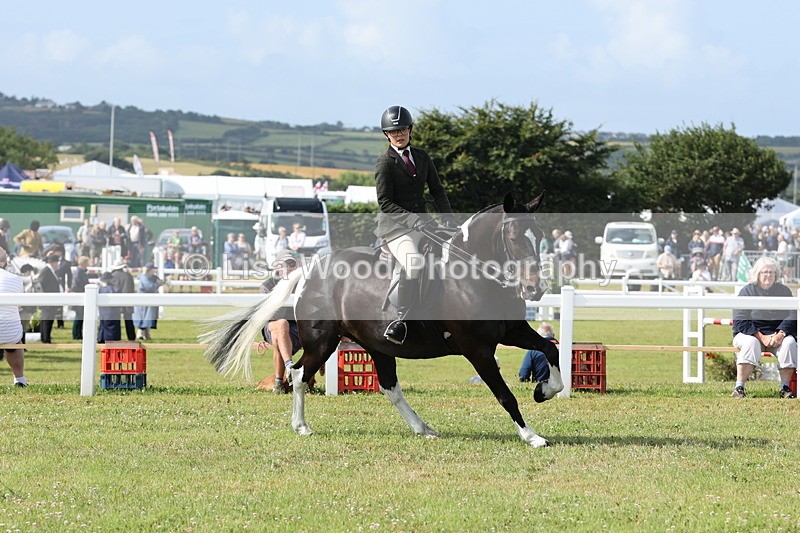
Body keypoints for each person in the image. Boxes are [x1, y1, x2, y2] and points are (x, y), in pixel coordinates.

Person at [374, 105, 456, 344]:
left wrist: (449, 219)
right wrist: (413, 220)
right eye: (394, 131)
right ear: (387, 135)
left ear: (410, 130)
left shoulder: (421, 157)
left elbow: (438, 191)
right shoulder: (384, 164)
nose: (399, 134)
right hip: (396, 228)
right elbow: (385, 202)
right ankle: (402, 321)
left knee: (453, 258)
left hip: (424, 223)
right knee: (415, 263)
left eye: (403, 129)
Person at [731, 256, 797, 399]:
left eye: (771, 272)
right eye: (765, 272)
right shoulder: (746, 292)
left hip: (777, 336)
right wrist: (761, 336)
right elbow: (740, 321)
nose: (768, 275)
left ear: (776, 274)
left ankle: (785, 388)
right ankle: (739, 387)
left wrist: (780, 334)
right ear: (757, 274)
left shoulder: (784, 291)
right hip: (749, 334)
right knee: (751, 343)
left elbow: (793, 316)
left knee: (790, 343)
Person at [260, 251, 303, 393]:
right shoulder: (267, 285)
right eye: (286, 264)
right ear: (278, 267)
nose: (289, 268)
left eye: (292, 264)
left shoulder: (302, 283)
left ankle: (279, 381)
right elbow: (272, 315)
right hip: (272, 325)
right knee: (281, 324)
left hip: (294, 328)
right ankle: (290, 366)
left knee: (279, 337)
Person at [0, 248, 28, 386]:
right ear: (4, 262)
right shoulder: (15, 279)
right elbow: (19, 306)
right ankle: (19, 379)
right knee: (15, 342)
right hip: (9, 333)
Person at [132, 263, 163, 340]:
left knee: (148, 316)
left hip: (149, 299)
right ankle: (140, 333)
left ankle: (146, 333)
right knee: (143, 316)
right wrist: (158, 284)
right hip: (143, 300)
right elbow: (149, 287)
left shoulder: (152, 277)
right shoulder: (144, 278)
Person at [37, 253, 63, 343]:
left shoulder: (50, 270)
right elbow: (40, 283)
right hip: (47, 300)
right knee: (47, 319)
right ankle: (46, 338)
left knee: (47, 319)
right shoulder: (46, 270)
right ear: (53, 262)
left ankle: (45, 337)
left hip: (51, 299)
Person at [111, 260, 136, 341]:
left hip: (116, 301)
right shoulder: (128, 275)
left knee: (116, 320)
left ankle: (117, 337)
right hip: (127, 300)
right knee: (129, 320)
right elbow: (132, 288)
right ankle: (131, 337)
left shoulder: (112, 276)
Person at [70, 256, 91, 340]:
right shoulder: (79, 272)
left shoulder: (80, 272)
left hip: (81, 296)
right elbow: (76, 285)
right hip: (79, 297)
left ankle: (78, 334)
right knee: (79, 316)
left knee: (80, 316)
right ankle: (76, 334)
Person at [97, 272, 121, 343]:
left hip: (103, 313)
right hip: (113, 313)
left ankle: (101, 339)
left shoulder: (100, 289)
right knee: (112, 329)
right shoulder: (114, 289)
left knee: (102, 326)